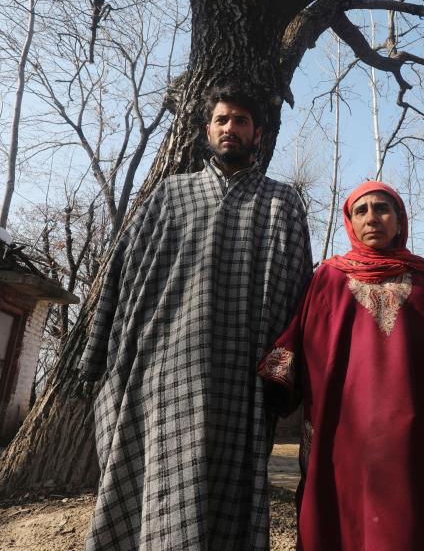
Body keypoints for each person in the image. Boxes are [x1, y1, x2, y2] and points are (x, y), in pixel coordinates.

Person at [78, 84, 313, 551]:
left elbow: (299, 295)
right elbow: (122, 275)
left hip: (242, 378)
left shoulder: (281, 202)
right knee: (159, 483)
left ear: (258, 134)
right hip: (164, 373)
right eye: (222, 120)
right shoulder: (171, 195)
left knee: (232, 487)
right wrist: (97, 353)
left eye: (241, 121)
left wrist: (288, 378)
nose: (231, 128)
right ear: (207, 130)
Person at [258, 181, 424, 551]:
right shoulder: (327, 279)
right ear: (350, 222)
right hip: (343, 437)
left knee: (422, 526)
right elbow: (294, 340)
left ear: (400, 220)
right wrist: (280, 381)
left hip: (423, 440)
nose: (372, 218)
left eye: (382, 209)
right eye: (362, 210)